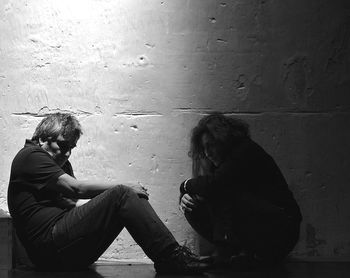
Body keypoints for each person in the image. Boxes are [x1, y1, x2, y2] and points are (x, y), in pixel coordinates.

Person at [7, 112, 209, 274]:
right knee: (122, 193)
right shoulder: (31, 155)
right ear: (42, 138)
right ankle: (172, 258)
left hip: (63, 248)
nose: (67, 153)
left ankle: (171, 257)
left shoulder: (61, 164)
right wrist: (124, 189)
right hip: (49, 248)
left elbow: (72, 203)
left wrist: (111, 208)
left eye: (71, 147)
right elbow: (76, 188)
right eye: (62, 145)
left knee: (123, 199)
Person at [179, 113, 302, 268]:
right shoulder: (222, 165)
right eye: (204, 148)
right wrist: (186, 196)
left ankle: (229, 253)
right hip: (260, 226)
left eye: (210, 145)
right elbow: (209, 187)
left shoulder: (245, 151)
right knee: (191, 203)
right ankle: (239, 253)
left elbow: (215, 185)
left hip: (282, 229)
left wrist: (184, 185)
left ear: (222, 139)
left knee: (222, 191)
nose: (207, 153)